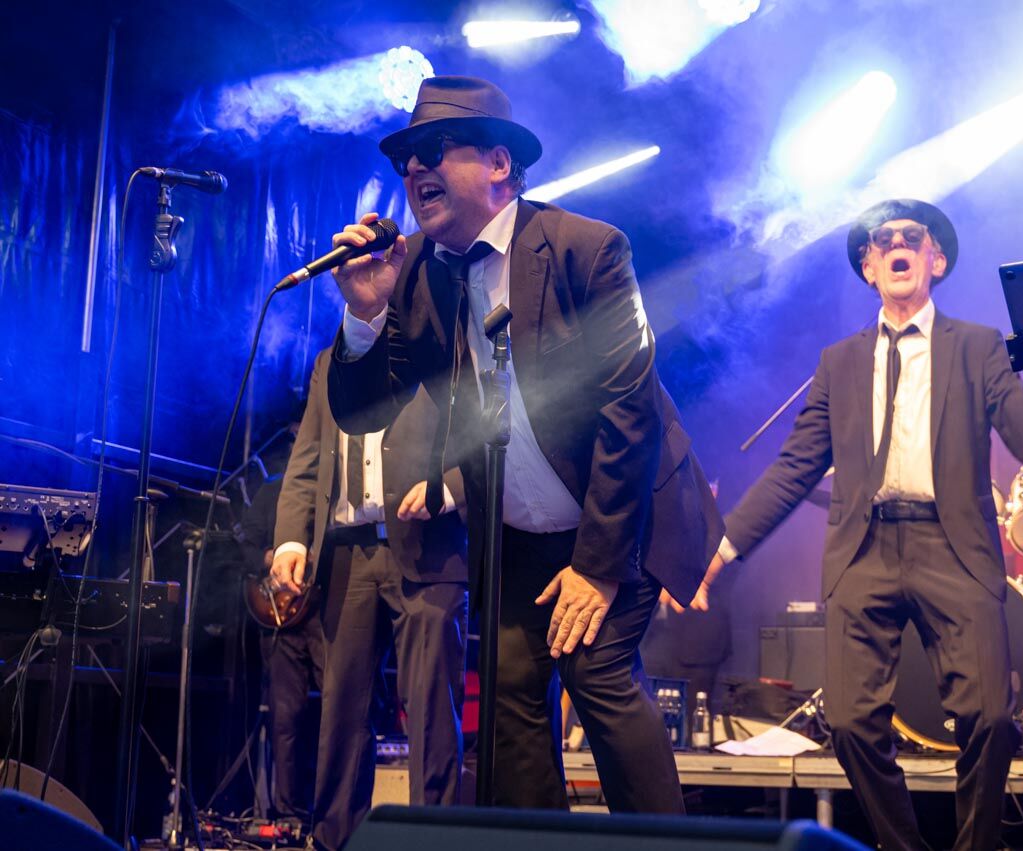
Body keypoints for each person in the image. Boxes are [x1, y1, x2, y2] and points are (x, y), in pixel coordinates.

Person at [691, 199, 1023, 851]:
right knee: (849, 724)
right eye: (882, 239)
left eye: (912, 236)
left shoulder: (977, 347)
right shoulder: (839, 362)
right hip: (864, 550)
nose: (896, 243)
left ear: (936, 260)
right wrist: (722, 546)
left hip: (952, 546)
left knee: (990, 720)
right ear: (869, 267)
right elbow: (793, 469)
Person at [324, 75, 722, 812]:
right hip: (515, 537)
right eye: (406, 159)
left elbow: (628, 416)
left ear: (499, 163)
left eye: (435, 149)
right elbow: (361, 412)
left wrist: (596, 570)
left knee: (596, 673)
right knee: (508, 697)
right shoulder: (416, 273)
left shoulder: (587, 250)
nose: (414, 169)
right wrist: (366, 315)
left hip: (621, 514)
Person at [268, 346, 468, 851]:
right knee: (342, 708)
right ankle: (335, 839)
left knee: (430, 706)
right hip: (346, 552)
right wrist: (291, 539)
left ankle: (435, 841)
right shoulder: (330, 361)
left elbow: (488, 433)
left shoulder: (440, 344)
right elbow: (308, 457)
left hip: (428, 547)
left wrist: (449, 488)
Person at [238, 405, 324, 829]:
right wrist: (270, 558)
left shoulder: (336, 490)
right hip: (281, 618)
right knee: (285, 717)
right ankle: (289, 814)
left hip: (326, 613)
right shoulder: (273, 490)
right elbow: (244, 544)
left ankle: (333, 815)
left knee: (340, 711)